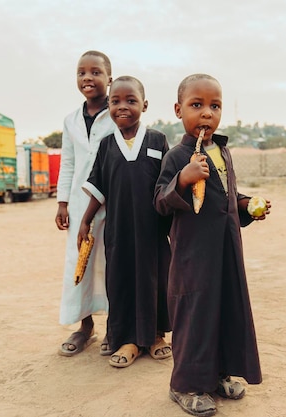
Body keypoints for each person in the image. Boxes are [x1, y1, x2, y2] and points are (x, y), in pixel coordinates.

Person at [154, 74, 271, 417]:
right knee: (195, 317)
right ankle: (185, 385)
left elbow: (227, 198)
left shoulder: (222, 151)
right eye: (197, 105)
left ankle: (217, 375)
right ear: (178, 110)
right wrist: (183, 179)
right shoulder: (177, 157)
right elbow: (160, 201)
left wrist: (248, 205)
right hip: (193, 258)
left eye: (214, 106)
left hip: (226, 253)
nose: (207, 113)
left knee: (224, 311)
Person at [78, 75, 172, 368]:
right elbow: (98, 188)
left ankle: (155, 335)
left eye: (130, 101)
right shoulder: (106, 146)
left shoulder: (157, 140)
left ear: (144, 105)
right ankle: (128, 340)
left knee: (155, 280)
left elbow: (169, 184)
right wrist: (85, 220)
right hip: (119, 232)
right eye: (115, 101)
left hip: (152, 231)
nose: (122, 106)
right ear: (108, 106)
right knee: (121, 282)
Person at [55, 50, 115, 357]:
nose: (87, 78)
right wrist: (63, 202)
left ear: (110, 79)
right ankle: (85, 326)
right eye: (81, 73)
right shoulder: (70, 121)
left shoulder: (116, 114)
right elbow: (68, 163)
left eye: (95, 72)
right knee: (79, 265)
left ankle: (114, 328)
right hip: (79, 205)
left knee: (111, 263)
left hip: (113, 203)